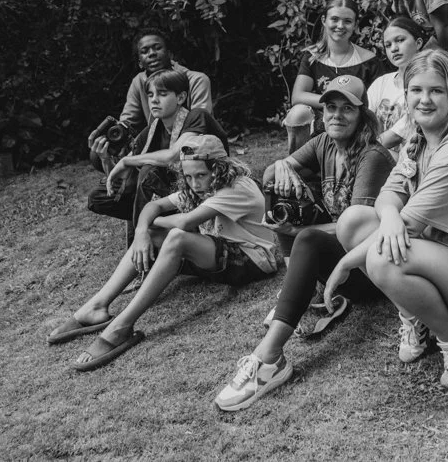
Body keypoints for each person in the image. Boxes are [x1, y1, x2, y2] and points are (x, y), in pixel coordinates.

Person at [324, 50, 448, 390]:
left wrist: (344, 264)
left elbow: (409, 227)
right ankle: (418, 316)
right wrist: (390, 217)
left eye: (436, 91)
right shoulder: (418, 140)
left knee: (382, 258)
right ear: (406, 94)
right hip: (439, 253)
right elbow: (388, 194)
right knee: (354, 221)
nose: (424, 99)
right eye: (416, 90)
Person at [214, 76, 394, 411]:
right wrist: (283, 167)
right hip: (343, 258)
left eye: (347, 109)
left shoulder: (373, 156)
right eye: (330, 107)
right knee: (284, 196)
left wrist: (297, 232)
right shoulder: (324, 141)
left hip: (372, 268)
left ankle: (269, 360)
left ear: (362, 115)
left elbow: (358, 229)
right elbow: (270, 175)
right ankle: (298, 293)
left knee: (308, 236)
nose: (336, 115)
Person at [47, 134, 279, 370]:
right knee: (153, 235)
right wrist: (141, 232)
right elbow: (154, 205)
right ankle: (96, 306)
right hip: (217, 252)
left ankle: (121, 327)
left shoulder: (237, 187)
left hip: (253, 260)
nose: (195, 184)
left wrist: (151, 224)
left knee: (176, 237)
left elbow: (185, 222)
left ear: (219, 169)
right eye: (188, 177)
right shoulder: (199, 186)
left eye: (201, 175)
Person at [87, 69, 228, 246]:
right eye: (150, 95)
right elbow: (124, 180)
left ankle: (143, 243)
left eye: (162, 94)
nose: (154, 100)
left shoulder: (196, 116)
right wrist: (105, 159)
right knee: (98, 197)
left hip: (208, 187)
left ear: (180, 97)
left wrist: (127, 160)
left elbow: (174, 155)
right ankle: (150, 230)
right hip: (176, 192)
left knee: (149, 172)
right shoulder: (152, 130)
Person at [284, 0, 382, 154]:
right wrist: (332, 104)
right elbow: (297, 96)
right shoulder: (312, 57)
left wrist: (348, 108)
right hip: (323, 120)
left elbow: (379, 101)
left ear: (355, 24)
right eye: (335, 19)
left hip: (355, 120)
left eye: (347, 21)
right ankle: (298, 164)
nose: (340, 26)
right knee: (298, 113)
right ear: (324, 20)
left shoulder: (369, 61)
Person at [366, 17, 426, 152]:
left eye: (400, 40)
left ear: (418, 43)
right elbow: (364, 122)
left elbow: (396, 135)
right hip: (376, 153)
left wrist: (366, 150)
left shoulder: (427, 85)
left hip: (411, 157)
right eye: (388, 45)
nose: (394, 48)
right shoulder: (381, 83)